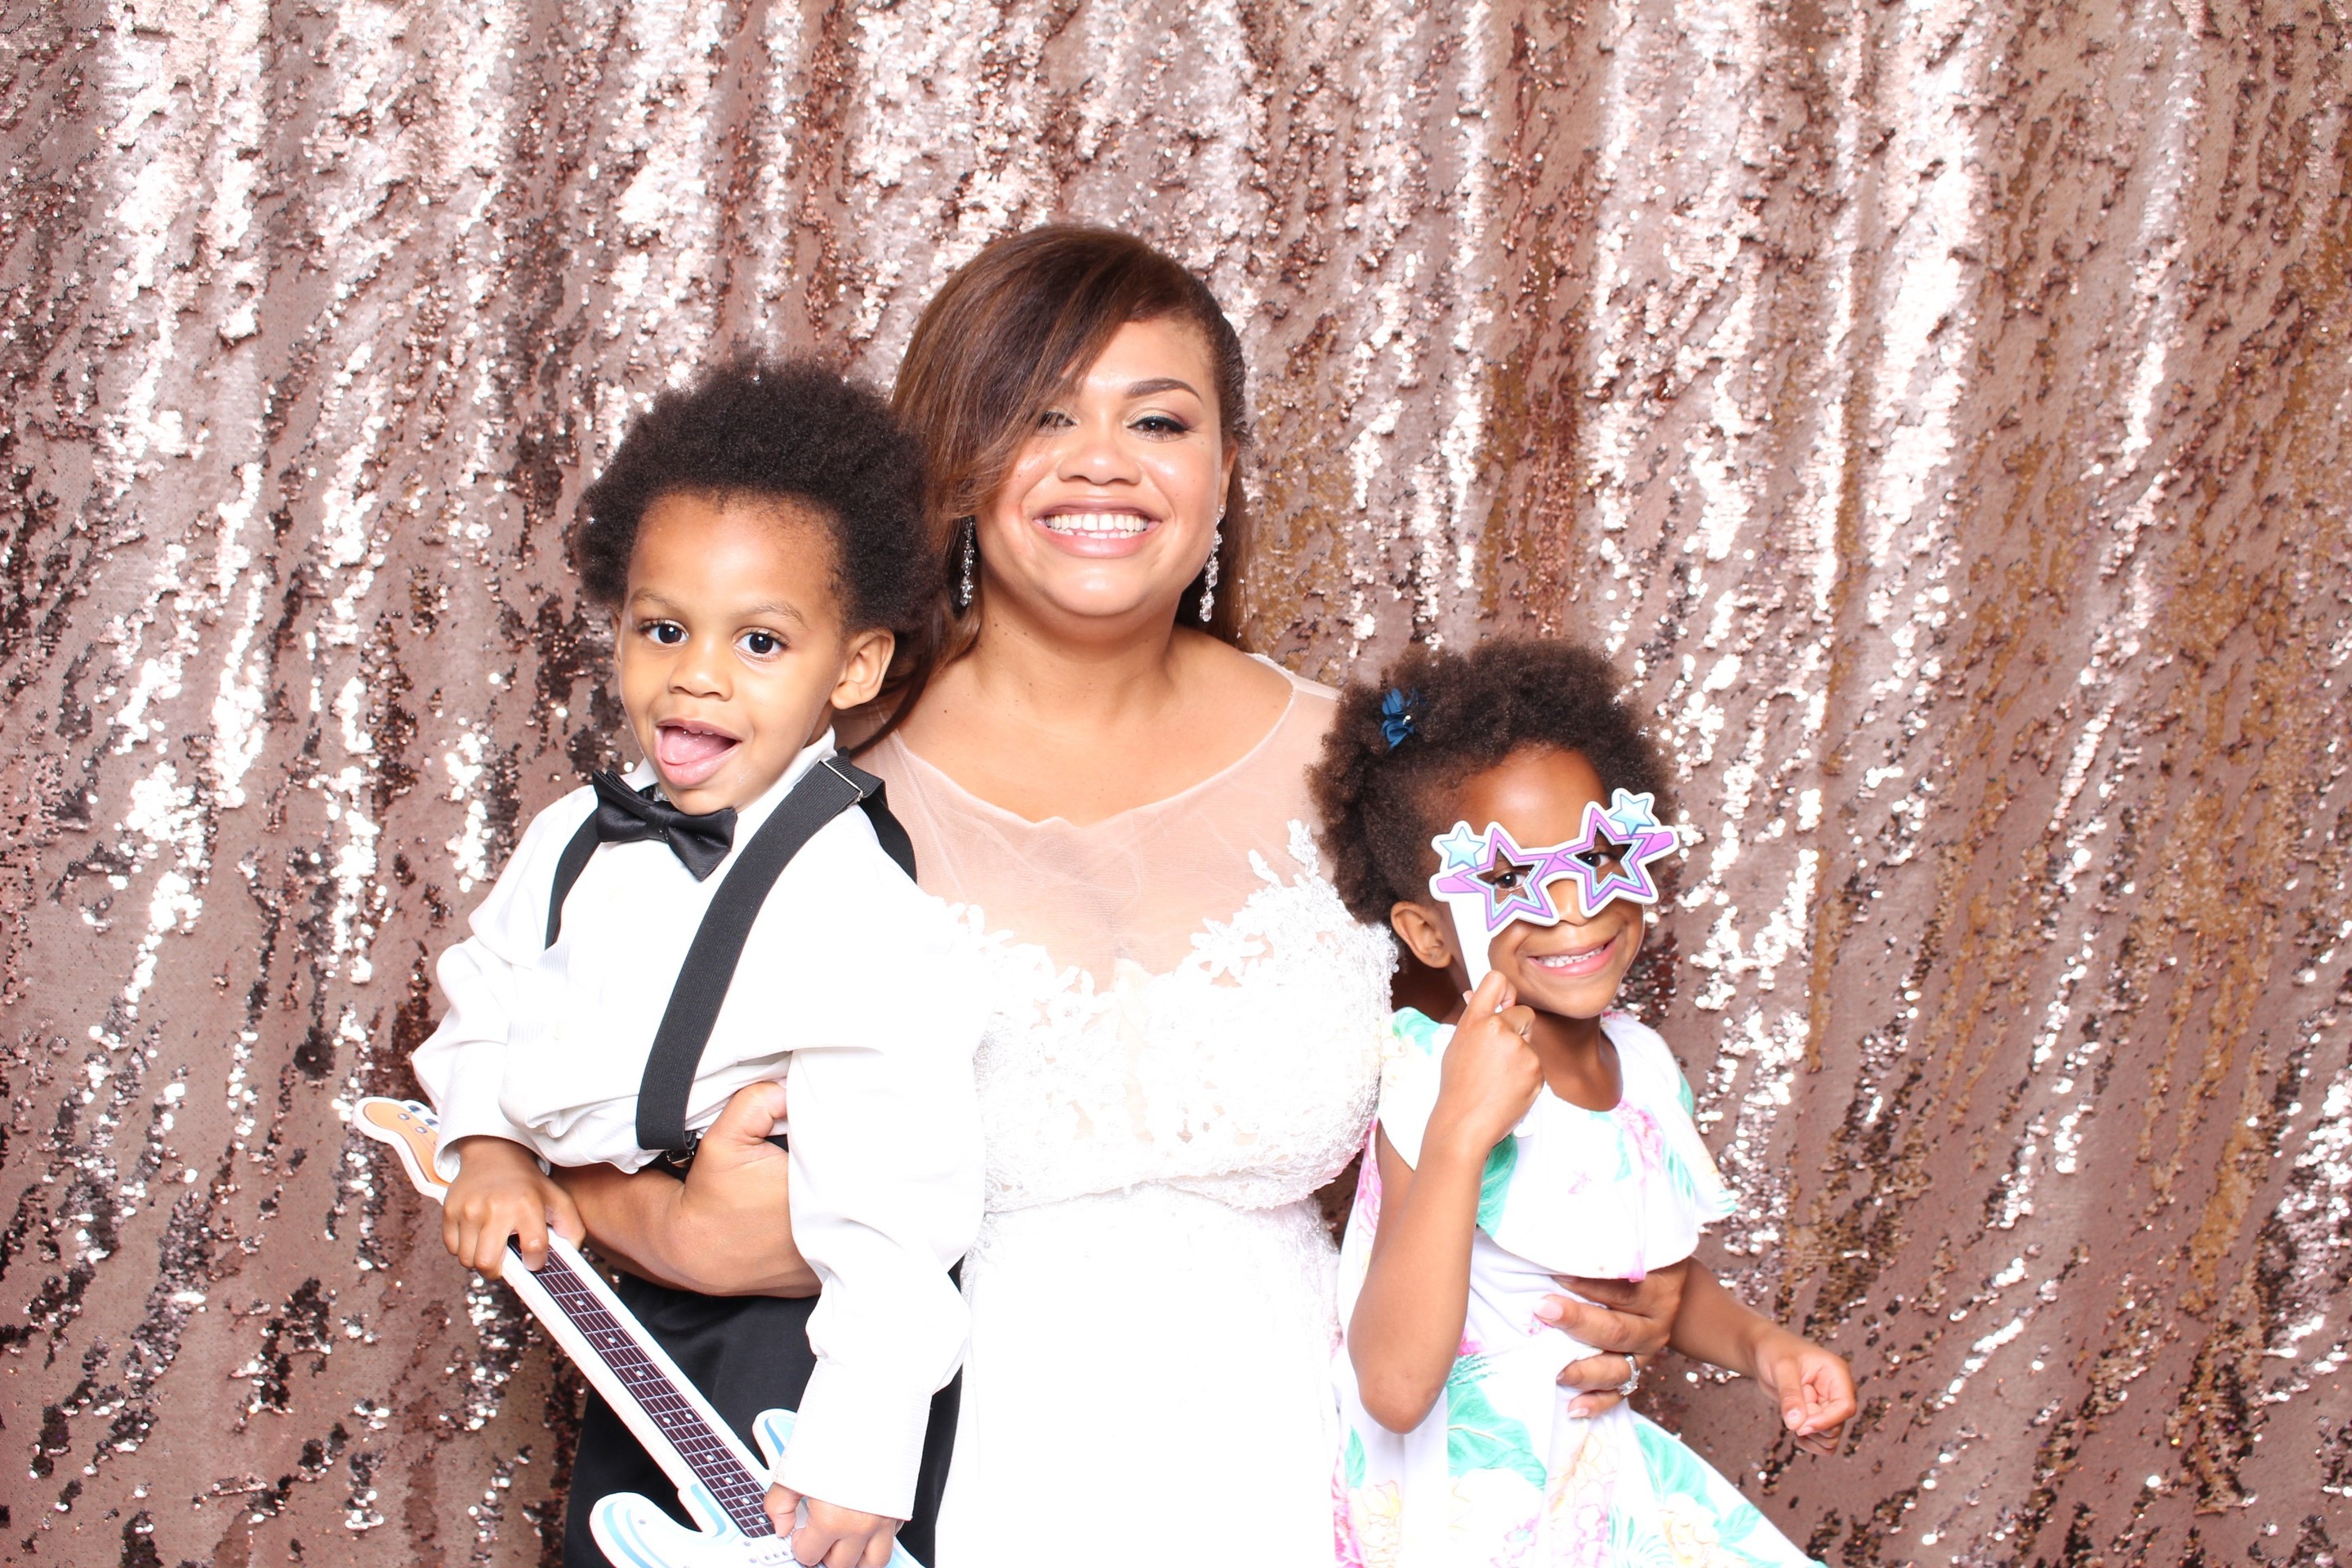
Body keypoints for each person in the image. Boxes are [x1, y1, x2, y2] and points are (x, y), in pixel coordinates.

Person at [551, 227, 1718, 1566]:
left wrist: (1635, 1267)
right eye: (1044, 416)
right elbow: (522, 1099)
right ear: (956, 463)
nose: (1103, 461)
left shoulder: (1369, 773)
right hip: (927, 1479)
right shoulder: (793, 773)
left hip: (1304, 1475)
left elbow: (1528, 1050)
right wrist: (673, 1231)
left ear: (1226, 468)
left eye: (1157, 420)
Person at [410, 362, 983, 1568]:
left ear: (854, 668)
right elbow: (487, 997)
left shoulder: (861, 910)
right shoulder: (573, 835)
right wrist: (492, 1146)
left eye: (760, 641)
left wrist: (861, 1450)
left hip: (800, 1346)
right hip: (628, 1308)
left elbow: (896, 1208)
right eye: (663, 629)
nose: (698, 673)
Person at [1310, 637, 1856, 1563]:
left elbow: (1636, 1271)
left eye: (1598, 857)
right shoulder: (1436, 1077)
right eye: (1509, 879)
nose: (1571, 908)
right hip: (1470, 1515)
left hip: (1596, 1485)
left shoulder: (1641, 1067)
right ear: (1428, 934)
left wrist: (1764, 1349)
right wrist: (1459, 1134)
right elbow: (1395, 1390)